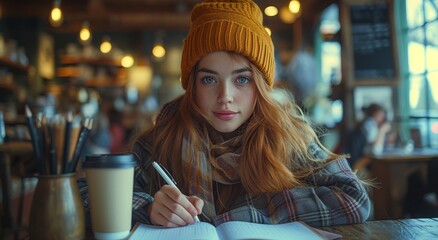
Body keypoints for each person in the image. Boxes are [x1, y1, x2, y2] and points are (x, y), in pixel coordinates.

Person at [80, 0, 370, 229]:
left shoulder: (287, 137)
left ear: (259, 85)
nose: (225, 96)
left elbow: (354, 198)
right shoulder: (160, 139)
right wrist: (147, 208)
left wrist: (251, 214)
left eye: (241, 79)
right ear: (192, 84)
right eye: (209, 79)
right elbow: (84, 192)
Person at [343, 103, 392, 169]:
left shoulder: (365, 124)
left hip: (356, 162)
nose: (382, 119)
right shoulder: (370, 125)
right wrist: (382, 131)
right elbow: (376, 151)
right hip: (359, 164)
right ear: (375, 114)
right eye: (381, 115)